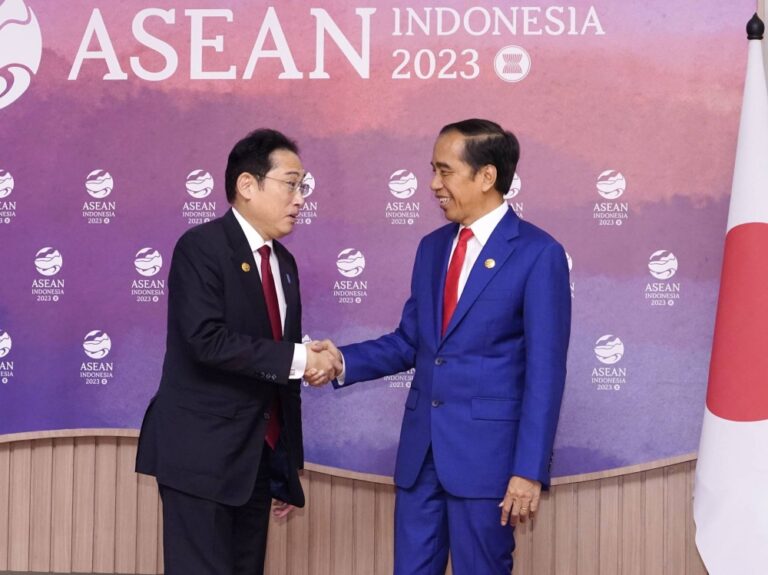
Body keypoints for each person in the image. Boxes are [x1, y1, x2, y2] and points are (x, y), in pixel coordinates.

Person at [320, 119, 571, 574]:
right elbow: (411, 342)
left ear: (486, 176)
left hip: (488, 462)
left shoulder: (538, 253)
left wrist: (528, 469)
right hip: (421, 459)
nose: (434, 184)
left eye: (445, 171)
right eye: (432, 171)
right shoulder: (432, 248)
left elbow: (546, 373)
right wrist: (341, 361)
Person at [136, 128, 341, 575]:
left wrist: (285, 466)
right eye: (291, 183)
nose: (300, 198)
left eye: (302, 186)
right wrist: (304, 359)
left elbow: (279, 370)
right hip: (201, 458)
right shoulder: (202, 247)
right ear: (248, 185)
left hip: (257, 463)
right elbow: (207, 341)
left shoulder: (283, 263)